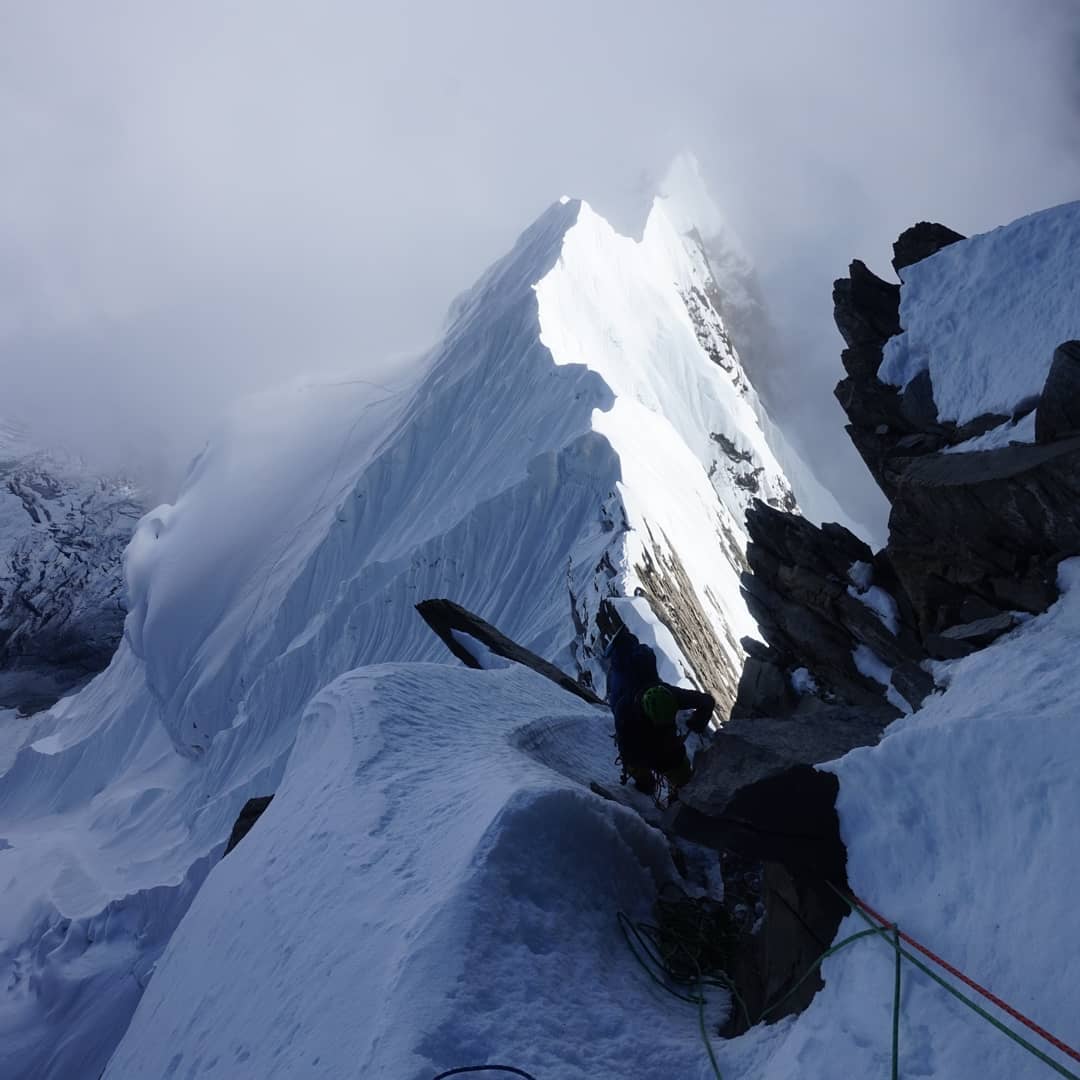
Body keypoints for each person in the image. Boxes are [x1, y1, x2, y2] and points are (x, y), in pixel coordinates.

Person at [604, 629, 715, 799]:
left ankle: (646, 785)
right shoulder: (667, 695)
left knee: (640, 766)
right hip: (666, 749)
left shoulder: (625, 706)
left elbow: (625, 747)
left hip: (645, 749)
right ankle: (676, 800)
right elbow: (706, 701)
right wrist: (697, 724)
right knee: (683, 782)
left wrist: (634, 763)